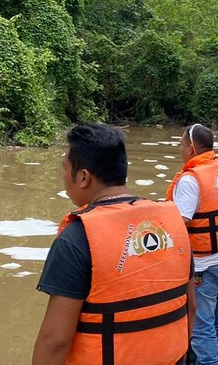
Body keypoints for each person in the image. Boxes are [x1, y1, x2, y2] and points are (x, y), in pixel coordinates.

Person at [33, 123, 195, 365]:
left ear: (83, 177)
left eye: (64, 168)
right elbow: (191, 309)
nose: (63, 176)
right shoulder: (173, 223)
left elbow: (55, 342)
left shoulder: (76, 238)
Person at [165, 124, 218, 365]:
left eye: (181, 144)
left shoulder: (191, 179)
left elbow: (181, 221)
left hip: (204, 268)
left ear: (191, 147)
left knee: (202, 326)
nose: (179, 149)